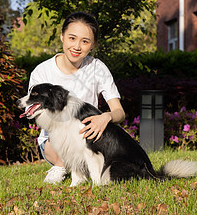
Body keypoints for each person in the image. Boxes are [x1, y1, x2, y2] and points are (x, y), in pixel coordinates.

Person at [28, 12, 125, 184]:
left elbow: (119, 112)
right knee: (61, 141)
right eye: (72, 38)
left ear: (93, 45)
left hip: (89, 139)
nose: (77, 46)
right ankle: (61, 165)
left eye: (85, 41)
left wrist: (106, 117)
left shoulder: (97, 68)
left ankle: (87, 168)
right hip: (55, 142)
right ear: (62, 36)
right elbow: (37, 114)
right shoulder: (42, 72)